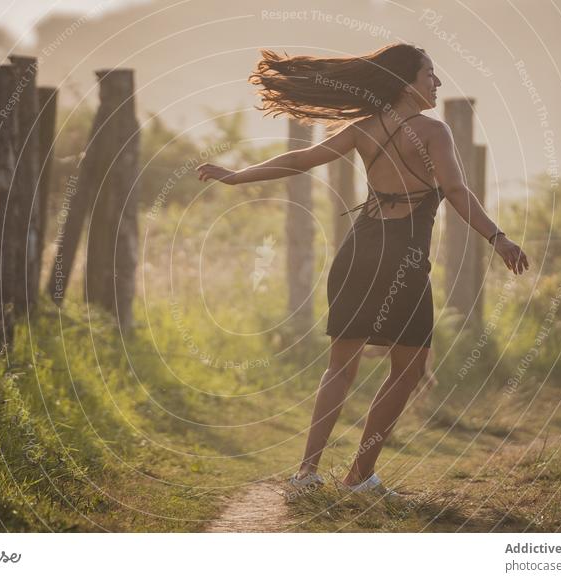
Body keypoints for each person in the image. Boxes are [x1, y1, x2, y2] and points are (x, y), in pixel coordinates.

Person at [197, 43, 529, 498]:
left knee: (340, 365)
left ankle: (307, 474)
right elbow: (455, 191)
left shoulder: (363, 129)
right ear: (406, 82)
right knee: (409, 369)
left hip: (359, 249)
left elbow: (299, 161)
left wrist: (236, 176)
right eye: (429, 74)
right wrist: (498, 237)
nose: (437, 82)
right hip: (403, 257)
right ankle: (358, 476)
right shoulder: (434, 132)